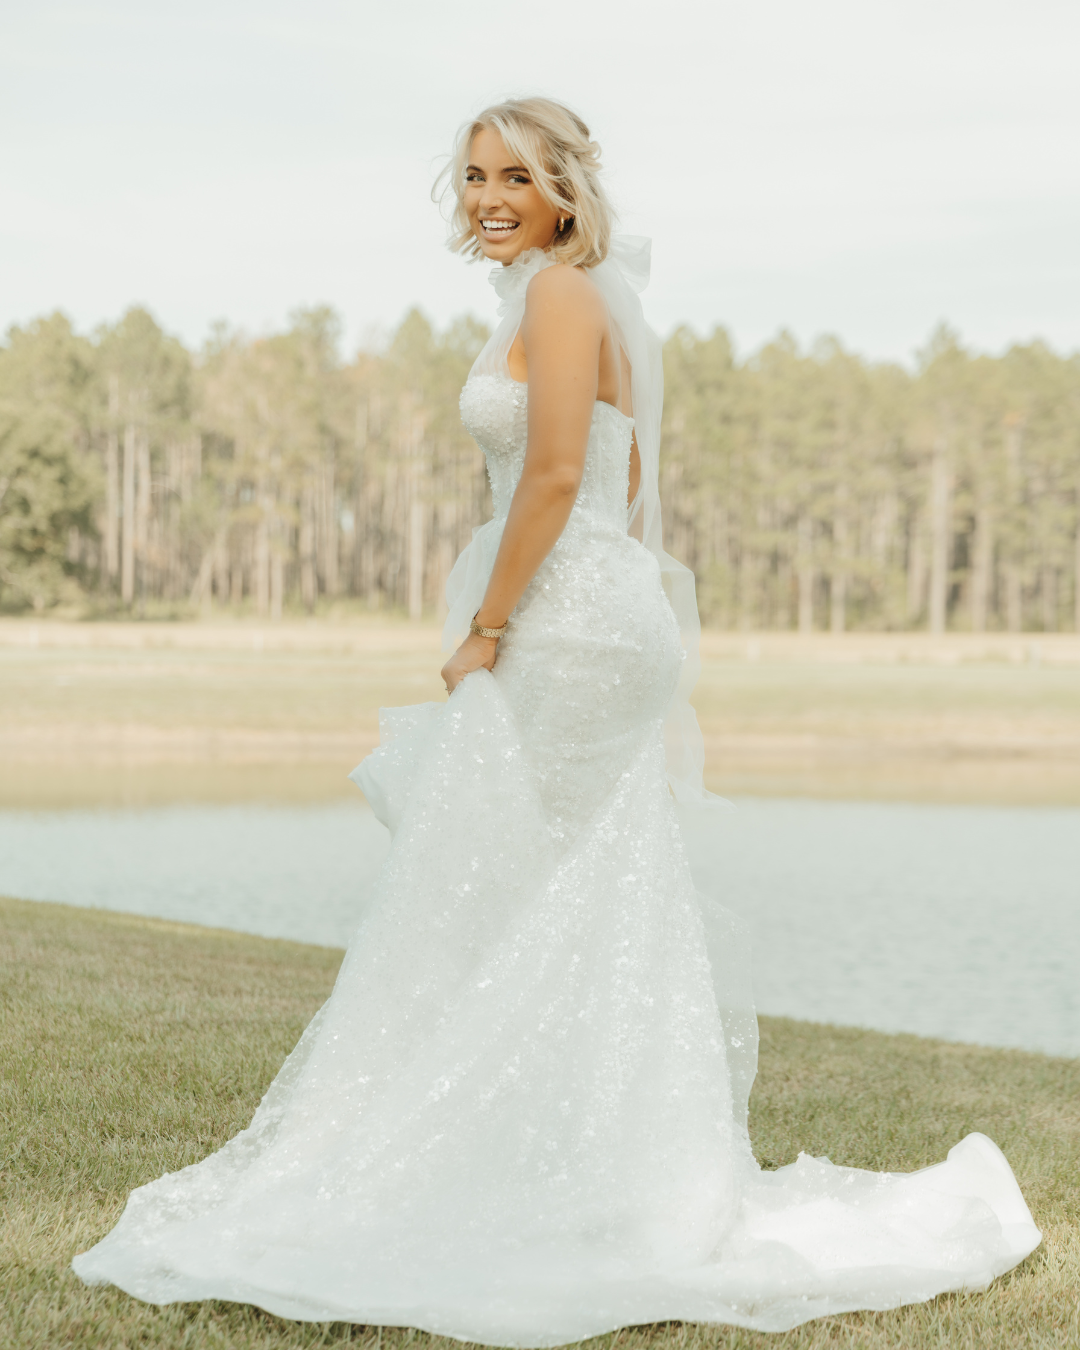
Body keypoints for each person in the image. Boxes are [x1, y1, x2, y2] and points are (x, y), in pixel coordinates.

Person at [73, 97, 1040, 1345]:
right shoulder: (547, 297)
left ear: (564, 195)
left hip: (566, 624)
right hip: (589, 606)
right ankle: (590, 1162)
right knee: (555, 883)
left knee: (490, 880)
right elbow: (623, 477)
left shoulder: (564, 299)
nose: (486, 194)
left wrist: (493, 623)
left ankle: (527, 1168)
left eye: (513, 175)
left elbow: (554, 473)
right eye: (472, 174)